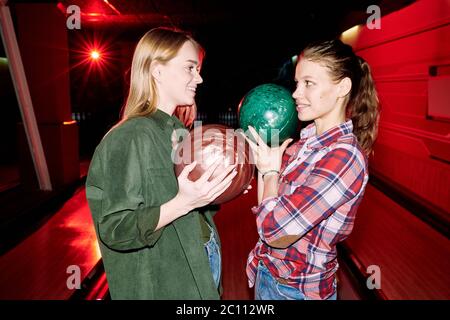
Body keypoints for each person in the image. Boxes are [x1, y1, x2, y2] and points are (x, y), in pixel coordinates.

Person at [85, 27, 237, 299]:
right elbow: (115, 229)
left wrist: (222, 187)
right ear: (157, 70)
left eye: (198, 69)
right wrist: (183, 202)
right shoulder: (130, 136)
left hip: (199, 265)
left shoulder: (174, 131)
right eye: (190, 68)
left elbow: (179, 203)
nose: (199, 78)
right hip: (165, 284)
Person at [244, 39, 379, 300]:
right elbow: (266, 213)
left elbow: (275, 232)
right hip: (268, 275)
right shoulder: (302, 144)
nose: (295, 93)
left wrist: (271, 173)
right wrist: (265, 168)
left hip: (298, 292)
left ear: (343, 88)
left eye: (308, 83)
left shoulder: (344, 158)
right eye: (297, 83)